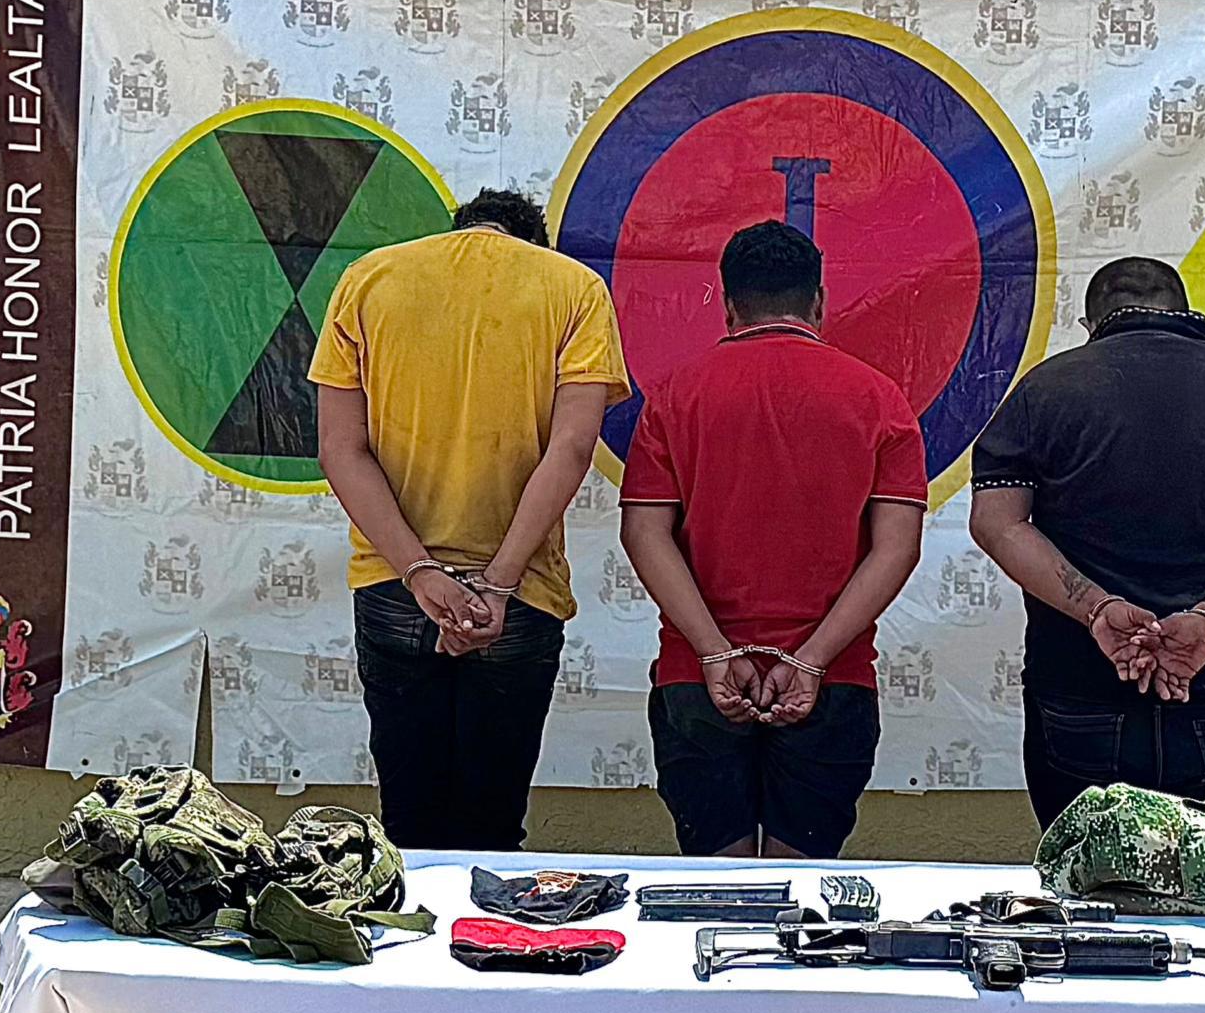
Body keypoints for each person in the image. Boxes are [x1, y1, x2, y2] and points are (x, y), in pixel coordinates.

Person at [310, 189, 626, 850]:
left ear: (458, 231)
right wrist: (500, 581)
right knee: (492, 825)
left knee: (409, 825)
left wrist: (422, 573)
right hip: (520, 594)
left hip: (396, 588)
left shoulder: (370, 279)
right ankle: (490, 946)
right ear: (531, 242)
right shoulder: (574, 288)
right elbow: (569, 449)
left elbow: (342, 450)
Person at [967, 256, 1205, 826]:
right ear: (1184, 313)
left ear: (1091, 327)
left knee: (1083, 885)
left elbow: (997, 522)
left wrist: (1099, 611)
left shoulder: (1046, 390)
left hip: (1080, 684)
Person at [616, 221, 930, 855]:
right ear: (818, 302)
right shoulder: (881, 400)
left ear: (729, 305)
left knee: (718, 881)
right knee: (801, 884)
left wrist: (712, 651)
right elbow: (897, 548)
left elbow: (645, 533)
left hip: (697, 675)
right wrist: (809, 659)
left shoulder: (676, 397)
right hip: (833, 674)